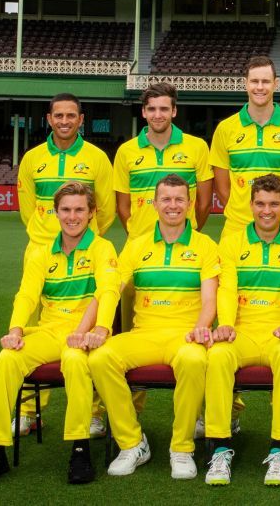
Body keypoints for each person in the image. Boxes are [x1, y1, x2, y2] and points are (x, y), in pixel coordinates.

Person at [0, 182, 120, 484]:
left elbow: (107, 291)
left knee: (77, 362)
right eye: (65, 209)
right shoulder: (41, 253)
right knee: (6, 360)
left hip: (82, 336)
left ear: (92, 212)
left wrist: (100, 329)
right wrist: (14, 330)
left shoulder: (102, 248)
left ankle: (80, 449)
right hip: (49, 332)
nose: (72, 216)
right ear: (55, 212)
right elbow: (26, 294)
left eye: (80, 209)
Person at [89, 174, 219, 479]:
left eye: (179, 199)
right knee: (99, 358)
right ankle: (132, 443)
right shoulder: (136, 246)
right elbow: (112, 288)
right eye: (166, 199)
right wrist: (101, 327)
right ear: (154, 204)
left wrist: (201, 327)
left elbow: (210, 298)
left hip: (184, 334)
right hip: (144, 334)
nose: (172, 206)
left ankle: (182, 447)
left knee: (194, 359)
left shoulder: (205, 246)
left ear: (189, 204)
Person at [14, 93, 115, 438]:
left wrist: (83, 240)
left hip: (86, 253)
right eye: (58, 115)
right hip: (42, 250)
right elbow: (27, 206)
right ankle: (29, 411)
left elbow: (106, 207)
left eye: (71, 115)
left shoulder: (97, 158)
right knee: (27, 332)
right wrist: (48, 237)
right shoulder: (32, 158)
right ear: (49, 118)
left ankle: (95, 412)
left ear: (81, 120)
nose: (65, 121)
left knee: (95, 330)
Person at [203, 174, 280, 486]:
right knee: (218, 355)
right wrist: (225, 324)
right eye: (261, 204)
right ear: (251, 205)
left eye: (274, 204)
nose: (267, 210)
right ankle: (220, 448)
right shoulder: (230, 244)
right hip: (243, 330)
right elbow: (227, 290)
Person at [209, 56, 280, 240]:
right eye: (254, 81)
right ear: (245, 84)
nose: (260, 87)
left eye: (265, 81)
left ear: (276, 84)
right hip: (237, 229)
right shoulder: (225, 129)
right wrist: (242, 216)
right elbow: (222, 188)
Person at [113, 82, 213, 240]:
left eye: (164, 109)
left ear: (174, 111)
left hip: (185, 244)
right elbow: (123, 207)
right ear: (143, 112)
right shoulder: (125, 151)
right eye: (152, 109)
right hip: (139, 245)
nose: (157, 115)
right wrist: (138, 238)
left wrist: (188, 235)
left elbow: (204, 203)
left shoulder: (198, 147)